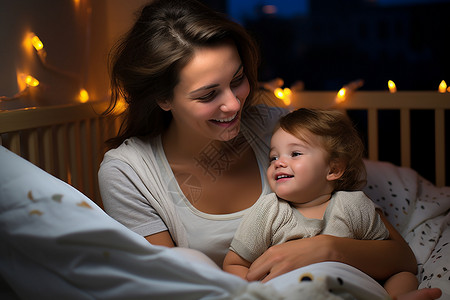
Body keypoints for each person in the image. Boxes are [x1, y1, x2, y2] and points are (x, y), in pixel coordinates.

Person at [98, 0, 440, 299]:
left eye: (237, 80)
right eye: (208, 95)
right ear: (163, 99)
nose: (233, 104)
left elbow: (400, 257)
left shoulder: (280, 130)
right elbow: (171, 285)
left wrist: (324, 248)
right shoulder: (129, 172)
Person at [222, 108, 442, 299]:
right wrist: (257, 292)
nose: (279, 162)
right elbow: (234, 264)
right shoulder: (269, 210)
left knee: (403, 276)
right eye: (273, 157)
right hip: (289, 294)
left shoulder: (353, 205)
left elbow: (395, 261)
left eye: (295, 153)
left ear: (333, 169)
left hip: (354, 292)